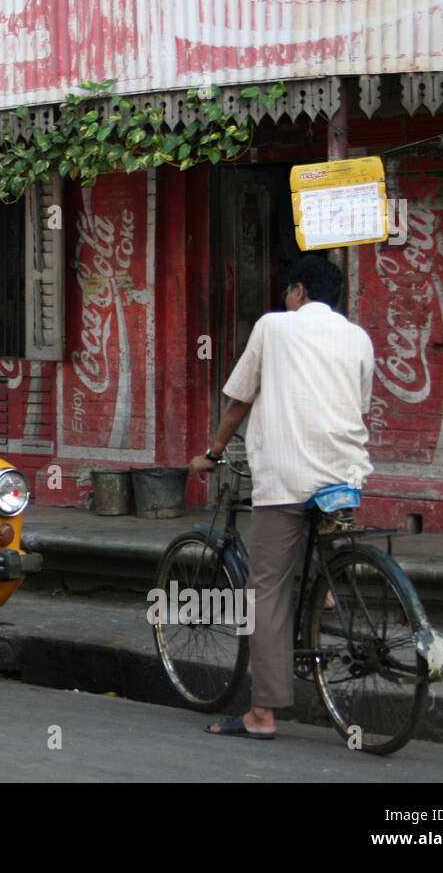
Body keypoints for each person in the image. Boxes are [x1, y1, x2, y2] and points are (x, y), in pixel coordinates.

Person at [188, 255, 374, 740]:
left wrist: (213, 451)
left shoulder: (273, 326)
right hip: (344, 474)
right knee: (325, 537)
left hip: (285, 476)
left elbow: (240, 398)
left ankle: (263, 714)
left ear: (297, 292)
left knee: (266, 592)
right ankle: (326, 587)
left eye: (288, 292)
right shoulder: (358, 337)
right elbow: (361, 405)